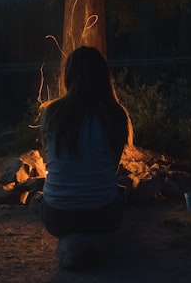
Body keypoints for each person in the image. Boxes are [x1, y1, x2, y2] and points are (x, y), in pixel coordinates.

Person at [39, 45, 133, 268]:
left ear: (68, 76)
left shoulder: (51, 113)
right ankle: (94, 242)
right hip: (103, 216)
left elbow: (48, 156)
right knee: (123, 189)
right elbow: (113, 168)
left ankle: (74, 243)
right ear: (103, 77)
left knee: (44, 196)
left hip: (57, 218)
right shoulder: (116, 114)